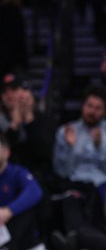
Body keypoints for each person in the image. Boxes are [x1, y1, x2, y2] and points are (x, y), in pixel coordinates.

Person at [52, 87, 106, 249]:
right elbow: (62, 172)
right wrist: (72, 148)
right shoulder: (65, 132)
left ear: (104, 111)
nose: (92, 111)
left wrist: (99, 148)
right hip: (76, 184)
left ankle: (73, 241)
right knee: (70, 199)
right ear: (82, 106)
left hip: (102, 184)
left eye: (98, 108)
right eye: (89, 106)